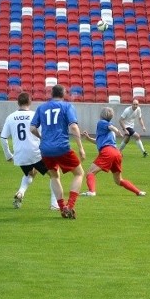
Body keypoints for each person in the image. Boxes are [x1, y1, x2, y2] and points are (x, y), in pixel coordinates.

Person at [29, 84, 86, 219]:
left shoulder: (41, 107)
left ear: (51, 94)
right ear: (64, 94)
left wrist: (42, 138)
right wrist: (80, 147)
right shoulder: (67, 106)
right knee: (79, 173)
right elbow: (73, 127)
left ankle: (62, 208)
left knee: (54, 176)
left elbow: (32, 128)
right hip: (62, 147)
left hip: (45, 149)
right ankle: (70, 206)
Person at [0, 92, 58, 211]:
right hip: (36, 152)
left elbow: (3, 138)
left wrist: (8, 155)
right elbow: (44, 133)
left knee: (31, 173)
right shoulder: (34, 115)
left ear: (18, 102)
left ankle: (21, 192)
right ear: (30, 102)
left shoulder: (10, 117)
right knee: (54, 174)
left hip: (20, 155)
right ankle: (54, 204)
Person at [81, 107, 146, 198]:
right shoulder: (108, 132)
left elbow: (110, 126)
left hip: (108, 152)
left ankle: (91, 192)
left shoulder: (101, 123)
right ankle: (138, 192)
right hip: (117, 153)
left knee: (90, 173)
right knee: (119, 180)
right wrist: (88, 138)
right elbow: (99, 141)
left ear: (101, 115)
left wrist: (117, 131)